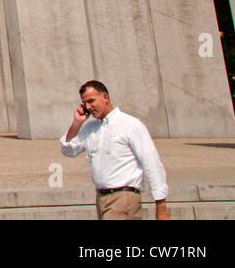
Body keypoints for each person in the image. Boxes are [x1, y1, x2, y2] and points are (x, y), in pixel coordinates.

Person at [60, 80, 169, 220]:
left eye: (91, 101)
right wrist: (77, 123)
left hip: (124, 197)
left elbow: (151, 162)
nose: (88, 107)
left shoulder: (130, 125)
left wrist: (161, 204)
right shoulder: (90, 128)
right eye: (85, 103)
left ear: (105, 97)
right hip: (101, 198)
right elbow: (67, 150)